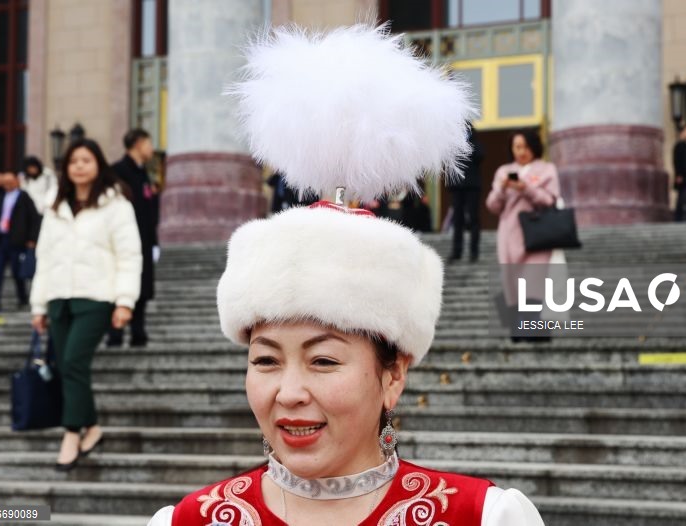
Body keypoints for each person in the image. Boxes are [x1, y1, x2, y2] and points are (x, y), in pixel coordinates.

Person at [147, 24, 543, 526]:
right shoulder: (191, 520)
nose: (288, 393)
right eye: (265, 360)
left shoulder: (482, 517)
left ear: (393, 373)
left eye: (324, 360)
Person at [30, 138, 142, 471]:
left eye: (86, 160)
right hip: (58, 298)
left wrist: (125, 301)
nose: (79, 166)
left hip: (97, 297)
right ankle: (91, 426)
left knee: (75, 361)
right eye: (73, 161)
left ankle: (71, 433)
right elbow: (44, 257)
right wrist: (38, 305)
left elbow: (129, 255)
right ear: (65, 168)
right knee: (65, 366)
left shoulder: (116, 204)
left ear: (98, 165)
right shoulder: (54, 206)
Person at [485, 130, 560, 342]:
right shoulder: (504, 171)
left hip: (537, 234)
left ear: (534, 147)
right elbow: (492, 205)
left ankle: (531, 330)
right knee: (512, 283)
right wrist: (502, 188)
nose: (521, 152)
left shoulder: (547, 170)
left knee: (533, 283)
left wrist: (525, 188)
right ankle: (522, 331)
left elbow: (549, 200)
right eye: (517, 147)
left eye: (525, 147)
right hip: (509, 235)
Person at [106, 129, 157, 347]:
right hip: (122, 238)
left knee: (142, 287)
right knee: (120, 284)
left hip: (144, 240)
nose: (151, 149)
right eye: (148, 143)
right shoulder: (116, 171)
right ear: (137, 143)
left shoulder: (144, 173)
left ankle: (138, 333)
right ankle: (115, 335)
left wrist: (154, 241)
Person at [0, 170, 39, 311]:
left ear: (16, 182)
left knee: (17, 271)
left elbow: (33, 218)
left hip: (18, 239)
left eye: (10, 182)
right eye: (4, 183)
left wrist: (31, 238)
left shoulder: (23, 197)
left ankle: (22, 297)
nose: (7, 185)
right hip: (2, 238)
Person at [448, 123, 484, 261]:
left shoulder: (475, 144)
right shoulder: (453, 146)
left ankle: (474, 252)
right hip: (457, 187)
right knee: (458, 220)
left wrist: (468, 143)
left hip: (472, 187)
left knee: (473, 219)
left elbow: (480, 156)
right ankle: (457, 251)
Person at [672, 125, 686, 222]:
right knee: (681, 198)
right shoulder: (679, 146)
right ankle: (679, 218)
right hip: (682, 176)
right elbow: (676, 161)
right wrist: (679, 175)